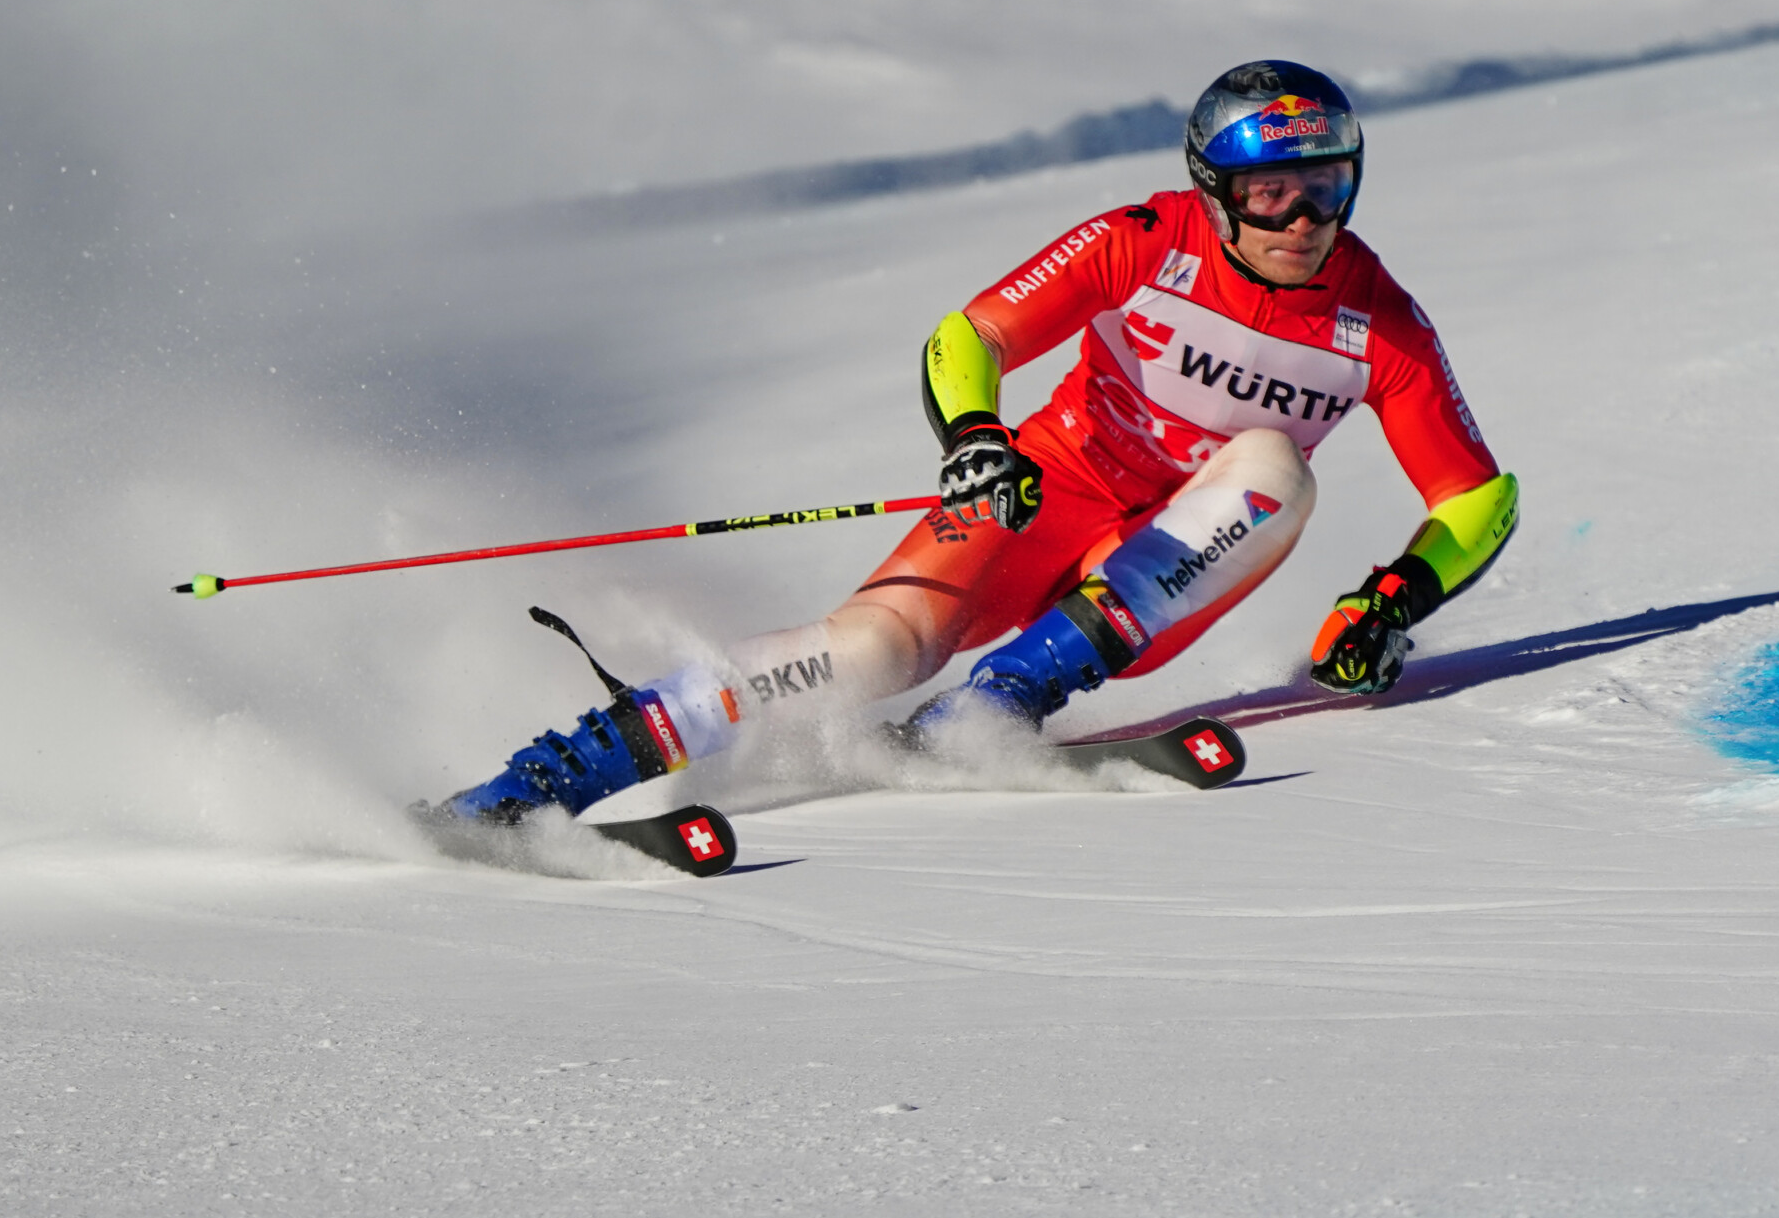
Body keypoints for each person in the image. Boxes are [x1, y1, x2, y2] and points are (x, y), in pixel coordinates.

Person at [436, 60, 1519, 823]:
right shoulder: (1138, 241)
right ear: (1215, 191)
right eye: (1271, 195)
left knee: (1272, 466)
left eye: (1323, 190)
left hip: (1167, 568)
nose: (1301, 222)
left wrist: (1389, 605)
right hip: (1041, 492)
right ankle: (553, 778)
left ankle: (1002, 701)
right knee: (870, 650)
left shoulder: (1378, 325)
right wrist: (975, 438)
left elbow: (1478, 498)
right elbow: (972, 335)